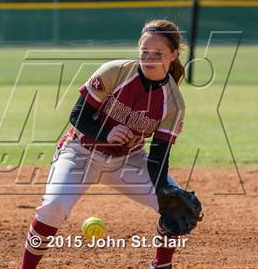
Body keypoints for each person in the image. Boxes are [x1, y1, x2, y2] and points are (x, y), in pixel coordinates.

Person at [20, 19, 201, 269]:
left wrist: (163, 192)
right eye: (144, 52)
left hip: (128, 161)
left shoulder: (174, 103)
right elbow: (78, 116)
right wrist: (106, 134)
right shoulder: (115, 72)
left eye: (157, 54)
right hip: (80, 153)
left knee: (176, 208)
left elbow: (159, 156)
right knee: (53, 206)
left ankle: (160, 266)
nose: (149, 58)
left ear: (173, 55)